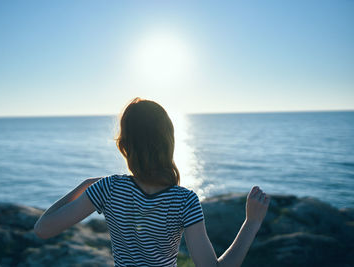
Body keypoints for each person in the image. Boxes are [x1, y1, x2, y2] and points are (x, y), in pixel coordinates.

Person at [34, 97, 271, 267]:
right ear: (168, 141)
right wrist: (251, 223)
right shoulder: (184, 200)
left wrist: (83, 186)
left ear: (124, 145)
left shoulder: (108, 189)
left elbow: (43, 229)